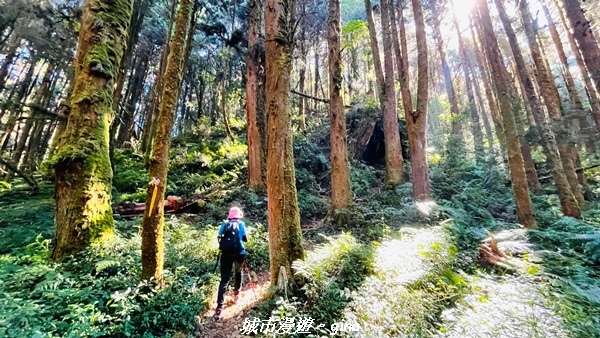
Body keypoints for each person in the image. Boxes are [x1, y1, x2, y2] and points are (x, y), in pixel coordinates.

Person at [215, 206, 248, 318]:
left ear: (229, 216)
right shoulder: (241, 225)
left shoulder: (224, 224)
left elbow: (219, 237)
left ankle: (219, 306)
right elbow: (244, 238)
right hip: (240, 253)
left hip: (226, 255)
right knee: (238, 272)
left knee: (224, 280)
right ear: (238, 216)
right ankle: (236, 296)